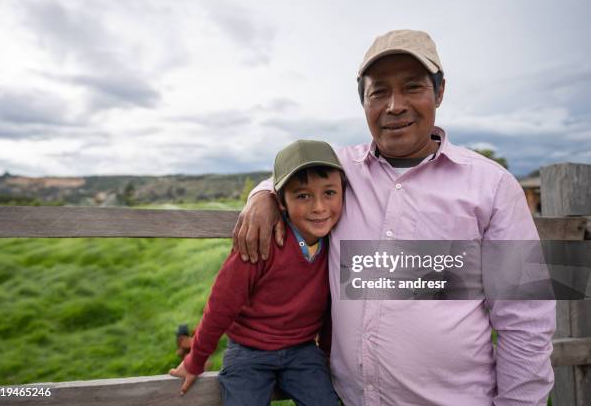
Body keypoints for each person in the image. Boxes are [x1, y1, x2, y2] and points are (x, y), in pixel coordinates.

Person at [234, 30, 556, 405]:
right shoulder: (339, 172)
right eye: (379, 92)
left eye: (412, 87)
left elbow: (526, 316)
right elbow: (285, 179)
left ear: (439, 92)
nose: (394, 105)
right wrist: (262, 196)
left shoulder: (493, 185)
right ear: (364, 101)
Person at [170, 140, 344, 406]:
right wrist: (196, 359)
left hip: (303, 351)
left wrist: (328, 353)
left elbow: (334, 307)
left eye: (329, 193)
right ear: (281, 202)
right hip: (249, 351)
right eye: (303, 196)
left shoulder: (336, 243)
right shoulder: (259, 243)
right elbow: (221, 305)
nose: (319, 207)